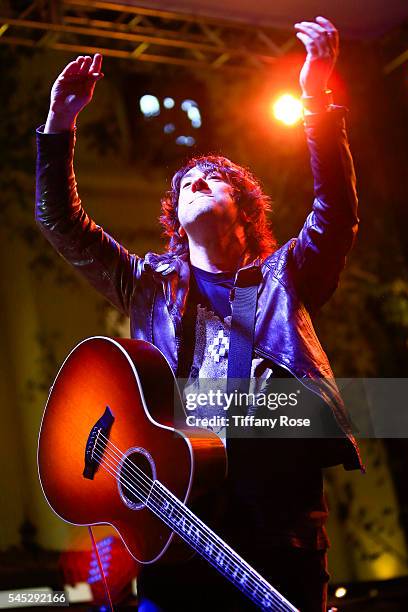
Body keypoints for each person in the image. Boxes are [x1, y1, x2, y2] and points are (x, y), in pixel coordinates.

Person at [36, 16, 364, 612]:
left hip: (271, 521)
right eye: (186, 180)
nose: (196, 182)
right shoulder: (146, 285)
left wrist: (316, 98)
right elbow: (63, 223)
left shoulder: (285, 275)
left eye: (212, 179)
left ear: (244, 213)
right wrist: (60, 125)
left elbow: (335, 211)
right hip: (176, 530)